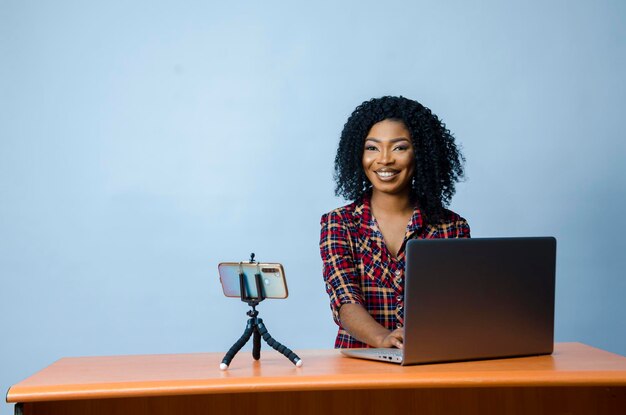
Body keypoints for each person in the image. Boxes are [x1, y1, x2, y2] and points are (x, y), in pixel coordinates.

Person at [320, 96, 470, 349]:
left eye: (399, 147)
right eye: (372, 147)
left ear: (420, 154)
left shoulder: (451, 228)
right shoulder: (339, 223)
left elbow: (455, 306)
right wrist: (383, 338)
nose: (385, 159)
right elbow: (345, 300)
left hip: (427, 360)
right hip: (359, 365)